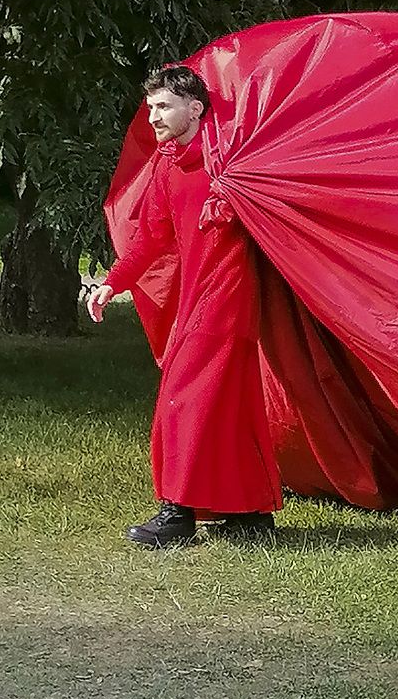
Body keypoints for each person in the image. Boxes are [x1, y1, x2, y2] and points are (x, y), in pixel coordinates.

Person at [87, 66, 283, 547]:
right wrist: (113, 283)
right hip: (202, 296)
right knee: (229, 408)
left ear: (195, 109)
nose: (153, 117)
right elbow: (151, 236)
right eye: (150, 108)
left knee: (183, 399)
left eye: (163, 107)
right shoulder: (167, 163)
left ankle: (177, 513)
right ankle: (249, 514)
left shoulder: (230, 157)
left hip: (229, 296)